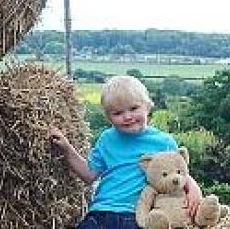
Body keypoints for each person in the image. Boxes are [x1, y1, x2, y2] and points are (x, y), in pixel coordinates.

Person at [50, 75, 202, 229]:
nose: (127, 117)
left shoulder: (164, 143)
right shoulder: (107, 139)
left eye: (134, 108)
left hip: (136, 215)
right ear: (108, 117)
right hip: (100, 212)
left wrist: (194, 188)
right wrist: (67, 149)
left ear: (148, 106)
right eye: (118, 113)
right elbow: (89, 175)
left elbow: (178, 174)